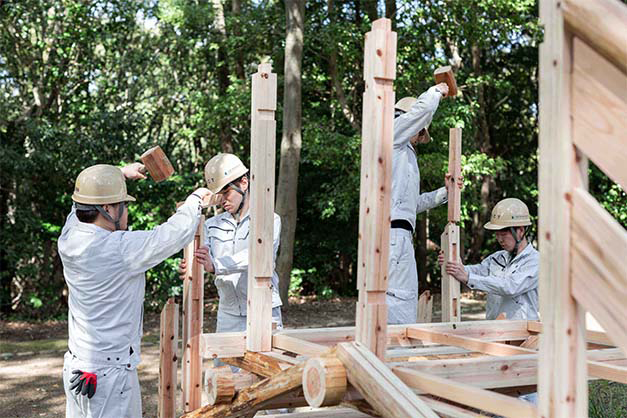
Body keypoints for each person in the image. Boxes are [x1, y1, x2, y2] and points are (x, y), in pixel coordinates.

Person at [58, 162, 210, 417]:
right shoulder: (118, 250)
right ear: (107, 209)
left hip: (77, 366)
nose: (126, 211)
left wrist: (117, 176)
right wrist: (195, 200)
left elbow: (80, 203)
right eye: (123, 205)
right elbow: (172, 235)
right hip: (110, 376)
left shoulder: (70, 234)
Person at [179, 153, 283, 333]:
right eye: (219, 194)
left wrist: (216, 265)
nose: (222, 200)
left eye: (226, 192)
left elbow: (257, 258)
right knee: (226, 362)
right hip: (228, 314)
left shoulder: (269, 220)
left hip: (264, 310)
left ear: (244, 183)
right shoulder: (212, 225)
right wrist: (191, 266)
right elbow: (203, 256)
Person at [388, 82, 462, 324]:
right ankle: (390, 355)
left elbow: (412, 204)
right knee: (397, 303)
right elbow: (420, 113)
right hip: (393, 236)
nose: (420, 140)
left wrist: (446, 192)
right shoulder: (394, 135)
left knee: (401, 301)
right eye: (421, 133)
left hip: (398, 234)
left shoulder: (403, 154)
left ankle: (391, 354)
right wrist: (436, 91)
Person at [439, 198, 539, 321]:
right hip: (494, 329)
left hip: (522, 332)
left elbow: (510, 287)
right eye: (497, 235)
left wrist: (467, 277)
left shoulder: (535, 261)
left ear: (521, 231)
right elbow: (478, 270)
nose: (500, 240)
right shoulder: (497, 258)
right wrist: (453, 265)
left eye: (503, 235)